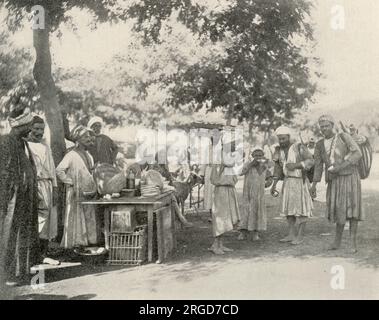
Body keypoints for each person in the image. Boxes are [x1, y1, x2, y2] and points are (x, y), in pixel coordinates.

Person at [0, 107, 40, 289]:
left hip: (25, 198)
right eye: (28, 125)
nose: (31, 128)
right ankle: (7, 273)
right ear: (20, 125)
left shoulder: (23, 143)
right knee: (10, 234)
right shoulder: (5, 142)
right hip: (12, 199)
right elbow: (4, 173)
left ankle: (20, 270)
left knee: (24, 233)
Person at [310, 115, 363, 253]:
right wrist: (314, 185)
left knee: (352, 210)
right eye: (321, 126)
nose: (324, 129)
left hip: (350, 177)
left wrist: (340, 167)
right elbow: (317, 166)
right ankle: (337, 241)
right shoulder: (319, 144)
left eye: (326, 125)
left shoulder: (344, 136)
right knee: (339, 210)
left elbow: (357, 153)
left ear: (332, 125)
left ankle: (352, 243)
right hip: (334, 180)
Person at [271, 126, 314, 245]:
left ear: (289, 137)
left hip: (300, 181)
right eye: (279, 139)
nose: (281, 141)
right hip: (287, 181)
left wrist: (296, 165)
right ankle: (291, 234)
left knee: (301, 209)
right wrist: (274, 184)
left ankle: (300, 236)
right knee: (288, 209)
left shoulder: (299, 147)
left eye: (284, 138)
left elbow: (310, 161)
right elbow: (278, 168)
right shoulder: (279, 150)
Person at [56, 125, 98, 249]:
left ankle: (89, 244)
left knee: (89, 216)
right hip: (75, 192)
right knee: (76, 218)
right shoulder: (71, 155)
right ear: (77, 139)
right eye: (85, 136)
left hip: (88, 191)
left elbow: (90, 172)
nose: (89, 138)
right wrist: (70, 182)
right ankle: (74, 246)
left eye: (90, 136)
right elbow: (59, 170)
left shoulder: (89, 155)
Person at [28, 116, 60, 265]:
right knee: (38, 219)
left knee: (49, 220)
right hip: (35, 185)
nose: (39, 132)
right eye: (36, 129)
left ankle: (43, 253)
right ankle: (34, 255)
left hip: (47, 184)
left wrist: (54, 187)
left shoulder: (45, 146)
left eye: (41, 129)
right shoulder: (26, 146)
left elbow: (52, 168)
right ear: (30, 128)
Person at [209, 145, 240, 255]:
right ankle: (215, 244)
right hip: (221, 190)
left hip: (229, 190)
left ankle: (220, 244)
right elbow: (214, 179)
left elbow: (235, 177)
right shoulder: (218, 163)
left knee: (226, 217)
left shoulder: (229, 164)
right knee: (220, 217)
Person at [238, 147, 273, 241]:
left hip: (258, 194)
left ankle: (255, 233)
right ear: (252, 155)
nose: (258, 157)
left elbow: (269, 176)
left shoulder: (264, 165)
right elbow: (241, 173)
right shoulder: (247, 164)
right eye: (256, 155)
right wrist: (250, 164)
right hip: (248, 193)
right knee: (246, 210)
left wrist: (269, 181)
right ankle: (243, 231)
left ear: (263, 156)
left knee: (257, 210)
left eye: (260, 155)